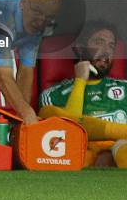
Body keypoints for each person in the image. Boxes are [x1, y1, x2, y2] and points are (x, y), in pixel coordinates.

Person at [39, 21, 127, 168]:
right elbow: (68, 133)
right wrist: (80, 81)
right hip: (80, 153)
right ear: (80, 49)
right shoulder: (53, 95)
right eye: (99, 42)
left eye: (111, 46)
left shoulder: (124, 88)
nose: (106, 51)